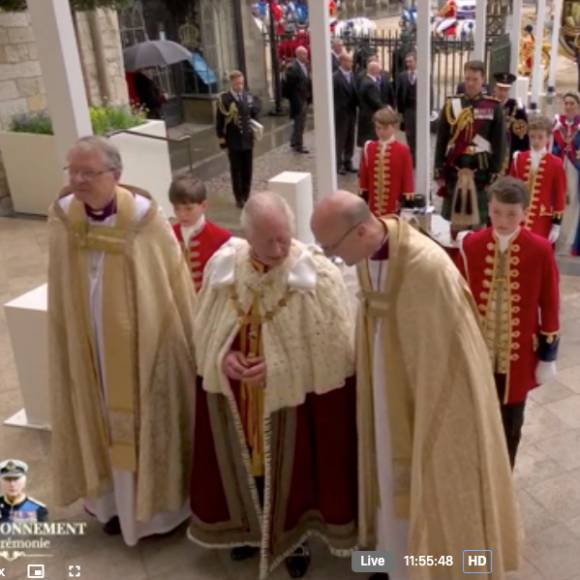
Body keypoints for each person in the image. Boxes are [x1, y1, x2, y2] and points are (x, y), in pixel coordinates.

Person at [310, 190, 520, 580]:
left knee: (424, 482)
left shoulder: (427, 268)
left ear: (358, 232)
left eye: (332, 247)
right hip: (381, 389)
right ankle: (388, 562)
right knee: (384, 482)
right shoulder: (364, 256)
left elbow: (456, 355)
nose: (333, 258)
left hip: (427, 396)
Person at [188, 192, 358, 579]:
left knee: (293, 471)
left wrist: (281, 367)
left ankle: (294, 538)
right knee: (247, 463)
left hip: (295, 405)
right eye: (268, 241)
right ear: (247, 236)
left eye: (284, 236)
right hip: (241, 398)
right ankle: (249, 529)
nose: (279, 247)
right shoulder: (224, 266)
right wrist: (222, 358)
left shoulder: (316, 274)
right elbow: (205, 330)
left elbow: (335, 351)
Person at [48, 136, 196, 546]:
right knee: (95, 414)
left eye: (88, 172)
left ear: (115, 174)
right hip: (86, 342)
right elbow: (60, 281)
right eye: (72, 170)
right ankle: (110, 506)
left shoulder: (143, 218)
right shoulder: (62, 215)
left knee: (141, 416)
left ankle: (153, 516)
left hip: (138, 346)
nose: (77, 180)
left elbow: (170, 285)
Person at [456, 177, 560, 468]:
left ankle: (504, 478)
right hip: (478, 353)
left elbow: (550, 302)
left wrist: (547, 355)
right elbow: (458, 300)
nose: (503, 220)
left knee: (511, 425)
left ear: (525, 213)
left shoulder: (540, 249)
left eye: (512, 213)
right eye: (498, 211)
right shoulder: (471, 245)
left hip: (518, 359)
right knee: (475, 420)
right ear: (488, 208)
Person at [434, 60, 506, 237]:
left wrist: (494, 172)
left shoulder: (493, 107)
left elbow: (499, 143)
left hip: (481, 167)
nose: (471, 83)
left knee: (479, 221)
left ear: (483, 80)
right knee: (455, 219)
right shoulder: (452, 105)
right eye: (468, 78)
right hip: (455, 166)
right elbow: (442, 139)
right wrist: (438, 168)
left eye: (475, 79)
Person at [169, 174, 232, 291]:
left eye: (188, 208)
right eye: (177, 208)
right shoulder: (169, 234)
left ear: (203, 206)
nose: (182, 214)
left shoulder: (221, 238)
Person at [509, 115, 566, 242]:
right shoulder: (519, 159)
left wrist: (556, 225)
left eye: (540, 137)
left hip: (542, 220)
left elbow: (559, 194)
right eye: (533, 136)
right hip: (518, 216)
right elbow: (510, 189)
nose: (536, 141)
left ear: (547, 138)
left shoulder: (556, 163)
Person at [216, 70, 261, 208]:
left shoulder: (247, 97)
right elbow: (219, 124)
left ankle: (246, 195)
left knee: (248, 170)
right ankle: (239, 197)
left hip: (247, 140)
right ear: (231, 83)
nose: (239, 86)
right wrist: (223, 143)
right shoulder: (224, 100)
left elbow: (253, 116)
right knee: (236, 171)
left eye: (241, 83)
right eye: (237, 84)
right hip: (233, 142)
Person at [359, 107, 414, 217]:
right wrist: (363, 195)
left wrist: (405, 200)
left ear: (394, 127)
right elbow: (364, 174)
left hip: (394, 204)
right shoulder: (369, 148)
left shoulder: (403, 150)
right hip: (373, 205)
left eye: (385, 128)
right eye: (378, 128)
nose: (381, 132)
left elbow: (407, 176)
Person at [552, 91, 580, 256]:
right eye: (566, 103)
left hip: (576, 171)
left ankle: (571, 241)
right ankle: (558, 239)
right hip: (561, 168)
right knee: (558, 201)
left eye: (572, 103)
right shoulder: (557, 124)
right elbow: (552, 147)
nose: (569, 106)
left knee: (574, 205)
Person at [492, 72, 529, 173]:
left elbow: (523, 137)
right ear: (494, 88)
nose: (502, 93)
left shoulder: (517, 108)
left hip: (510, 156)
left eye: (506, 90)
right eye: (500, 89)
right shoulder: (488, 104)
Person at [333, 52, 358, 175]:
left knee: (350, 138)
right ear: (342, 62)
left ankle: (348, 161)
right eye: (349, 61)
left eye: (351, 61)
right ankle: (337, 164)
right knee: (340, 139)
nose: (351, 63)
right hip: (340, 113)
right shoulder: (335, 77)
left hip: (351, 112)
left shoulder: (352, 75)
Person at [285, 46, 312, 154]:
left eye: (306, 54)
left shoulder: (305, 66)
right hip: (298, 99)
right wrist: (295, 98)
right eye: (304, 54)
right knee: (299, 122)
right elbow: (289, 86)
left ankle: (294, 140)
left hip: (305, 98)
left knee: (301, 122)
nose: (306, 56)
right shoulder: (293, 68)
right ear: (299, 55)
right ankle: (299, 144)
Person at [357, 61, 387, 148]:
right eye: (378, 69)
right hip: (370, 117)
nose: (380, 71)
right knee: (370, 142)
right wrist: (387, 108)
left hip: (366, 116)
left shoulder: (365, 80)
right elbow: (376, 102)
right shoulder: (370, 84)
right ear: (374, 70)